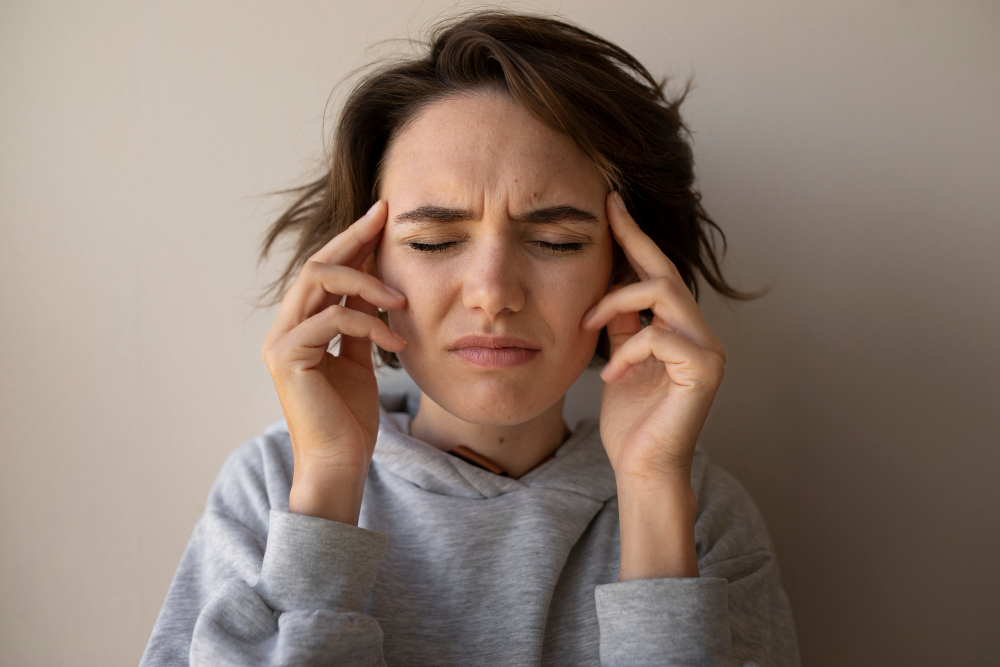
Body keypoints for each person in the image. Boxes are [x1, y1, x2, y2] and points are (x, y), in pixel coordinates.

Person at [140, 8, 801, 666]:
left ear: (624, 269)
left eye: (554, 241)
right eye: (434, 240)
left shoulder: (701, 512)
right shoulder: (270, 489)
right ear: (363, 266)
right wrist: (328, 487)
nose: (492, 291)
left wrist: (654, 493)